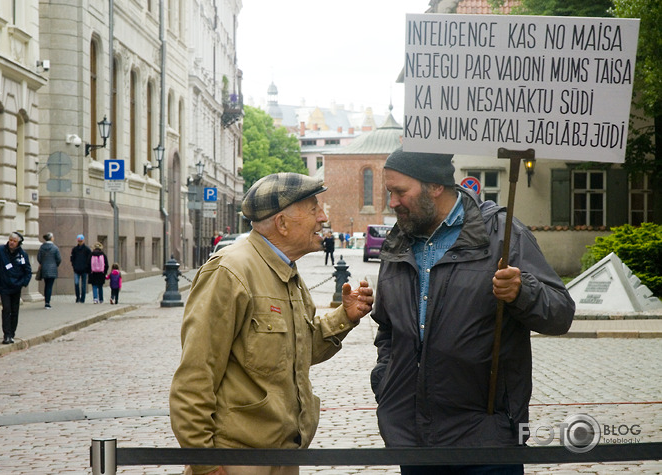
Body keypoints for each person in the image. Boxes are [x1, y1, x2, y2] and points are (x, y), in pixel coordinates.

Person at [369, 148, 575, 475]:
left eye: (400, 192)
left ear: (435, 186)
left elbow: (561, 313)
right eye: (389, 192)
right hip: (412, 440)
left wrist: (523, 291)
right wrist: (385, 381)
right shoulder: (397, 243)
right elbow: (388, 329)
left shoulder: (502, 235)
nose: (391, 202)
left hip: (486, 439)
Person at [170, 172, 374, 475]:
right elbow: (195, 376)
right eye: (313, 208)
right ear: (282, 223)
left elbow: (297, 350)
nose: (322, 218)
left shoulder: (286, 270)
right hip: (236, 460)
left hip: (285, 454)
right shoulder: (231, 270)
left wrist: (345, 317)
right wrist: (205, 464)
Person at [37, 232, 61, 309]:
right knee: (50, 286)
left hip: (44, 268)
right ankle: (48, 303)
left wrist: (42, 263)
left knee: (46, 285)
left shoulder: (42, 247)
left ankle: (46, 301)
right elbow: (59, 259)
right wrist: (55, 264)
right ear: (51, 238)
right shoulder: (55, 248)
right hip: (52, 269)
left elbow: (39, 257)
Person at [70, 234, 91, 303]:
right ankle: (77, 297)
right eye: (79, 241)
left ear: (83, 240)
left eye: (81, 241)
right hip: (76, 269)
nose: (80, 242)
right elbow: (72, 258)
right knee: (76, 284)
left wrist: (87, 267)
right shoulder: (75, 249)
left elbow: (89, 259)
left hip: (84, 270)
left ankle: (82, 298)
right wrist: (74, 265)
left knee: (83, 285)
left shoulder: (87, 249)